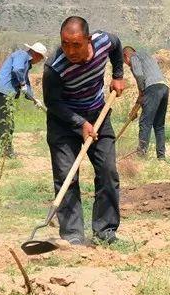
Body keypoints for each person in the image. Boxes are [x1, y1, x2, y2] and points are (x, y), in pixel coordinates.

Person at [42, 16, 125, 245]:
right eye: (65, 44)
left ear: (88, 40)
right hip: (63, 121)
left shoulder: (103, 42)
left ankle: (105, 231)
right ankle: (72, 236)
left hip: (98, 114)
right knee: (67, 176)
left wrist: (118, 75)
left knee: (108, 171)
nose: (70, 50)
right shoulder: (54, 67)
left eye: (76, 44)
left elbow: (117, 45)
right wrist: (80, 124)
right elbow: (53, 103)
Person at [0, 42, 47, 158]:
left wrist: (34, 99)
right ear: (36, 54)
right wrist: (22, 83)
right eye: (40, 59)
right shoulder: (21, 55)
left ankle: (5, 149)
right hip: (2, 92)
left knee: (9, 123)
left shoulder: (27, 63)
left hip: (7, 94)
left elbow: (26, 86)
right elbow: (17, 70)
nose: (39, 61)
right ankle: (6, 151)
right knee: (5, 123)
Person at [122, 46, 169, 160]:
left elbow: (139, 75)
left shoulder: (134, 57)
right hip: (164, 87)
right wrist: (136, 107)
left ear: (125, 56)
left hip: (152, 89)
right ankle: (161, 157)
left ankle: (141, 155)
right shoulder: (147, 56)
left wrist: (142, 91)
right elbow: (143, 93)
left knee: (145, 123)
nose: (128, 65)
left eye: (125, 62)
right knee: (159, 125)